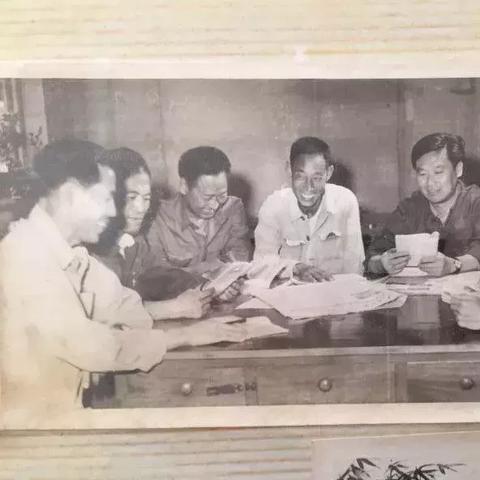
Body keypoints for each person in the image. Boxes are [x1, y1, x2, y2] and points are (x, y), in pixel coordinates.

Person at [0, 139, 245, 418]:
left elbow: (121, 305)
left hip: (62, 413)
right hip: (30, 426)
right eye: (105, 199)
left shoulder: (70, 253)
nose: (112, 212)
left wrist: (197, 318)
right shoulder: (25, 256)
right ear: (70, 195)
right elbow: (92, 346)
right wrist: (186, 335)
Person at [91, 147, 212, 319]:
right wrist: (174, 308)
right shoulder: (91, 248)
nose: (141, 208)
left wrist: (206, 288)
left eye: (146, 198)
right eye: (131, 197)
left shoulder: (135, 242)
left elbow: (162, 275)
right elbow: (104, 311)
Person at [366, 133, 480, 277]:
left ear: (458, 170)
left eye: (438, 172)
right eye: (423, 174)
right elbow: (371, 258)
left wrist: (453, 265)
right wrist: (382, 264)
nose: (430, 183)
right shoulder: (409, 209)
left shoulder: (475, 202)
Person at [254, 136, 365, 281]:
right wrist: (296, 268)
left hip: (335, 289)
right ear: (289, 170)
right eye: (300, 177)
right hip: (289, 291)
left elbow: (354, 264)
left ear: (329, 173)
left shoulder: (345, 201)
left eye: (317, 178)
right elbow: (261, 264)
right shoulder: (273, 206)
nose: (308, 187)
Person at [147, 145, 251, 296]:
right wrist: (207, 282)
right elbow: (156, 277)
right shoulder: (158, 217)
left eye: (222, 195)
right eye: (207, 197)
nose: (215, 205)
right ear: (184, 186)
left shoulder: (233, 208)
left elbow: (239, 257)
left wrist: (228, 283)